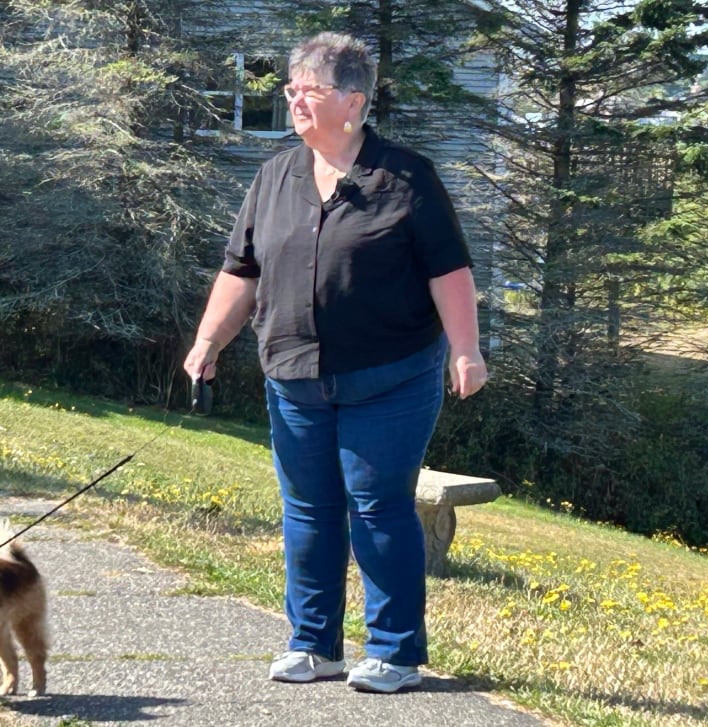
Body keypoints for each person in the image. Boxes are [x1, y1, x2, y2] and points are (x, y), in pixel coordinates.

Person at [183, 31, 488, 694]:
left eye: (308, 90)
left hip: (392, 375)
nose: (293, 99)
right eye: (291, 89)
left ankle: (395, 650)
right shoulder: (275, 175)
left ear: (352, 102)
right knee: (308, 509)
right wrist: (208, 341)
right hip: (293, 377)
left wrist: (465, 349)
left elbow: (450, 270)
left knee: (377, 504)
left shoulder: (407, 177)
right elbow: (242, 270)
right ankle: (314, 643)